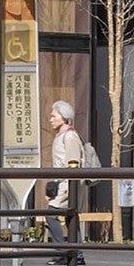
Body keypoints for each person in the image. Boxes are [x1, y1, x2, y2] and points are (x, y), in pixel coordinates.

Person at [42, 102, 86, 244]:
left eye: (54, 116)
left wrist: (60, 184)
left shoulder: (70, 136)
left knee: (51, 215)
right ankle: (76, 250)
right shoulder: (61, 136)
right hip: (63, 183)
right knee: (70, 216)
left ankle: (61, 249)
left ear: (64, 117)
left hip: (67, 183)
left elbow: (73, 162)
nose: (51, 120)